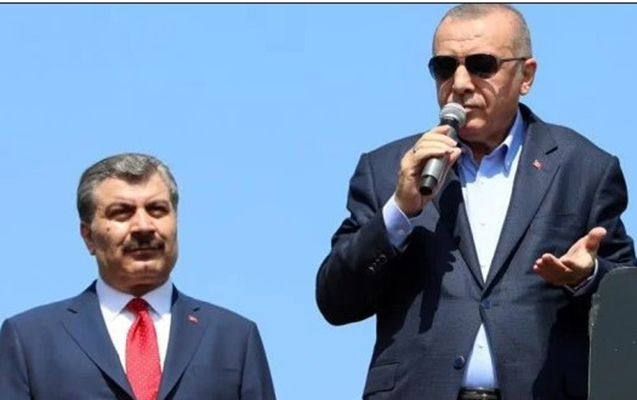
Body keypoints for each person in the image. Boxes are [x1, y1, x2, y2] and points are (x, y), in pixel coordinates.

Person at [316, 4, 636, 400]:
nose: (461, 83)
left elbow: (629, 308)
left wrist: (586, 277)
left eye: (482, 65)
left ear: (526, 76)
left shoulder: (584, 167)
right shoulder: (388, 169)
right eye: (444, 67)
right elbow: (335, 302)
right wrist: (399, 211)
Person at [0, 153, 276, 400]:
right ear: (88, 236)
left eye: (157, 210)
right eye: (121, 213)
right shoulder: (30, 340)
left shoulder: (234, 338)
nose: (143, 226)